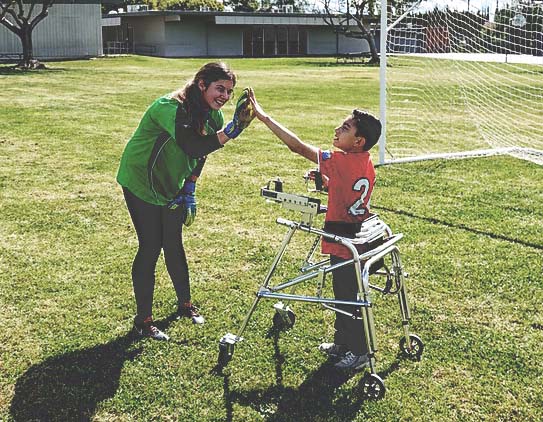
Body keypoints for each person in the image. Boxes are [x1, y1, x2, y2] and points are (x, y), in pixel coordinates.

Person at [117, 62, 254, 341]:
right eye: (220, 89)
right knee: (151, 245)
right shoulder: (169, 108)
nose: (225, 97)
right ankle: (143, 320)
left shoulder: (212, 115)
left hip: (171, 186)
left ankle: (185, 304)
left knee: (174, 243)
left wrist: (190, 185)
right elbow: (191, 145)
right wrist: (232, 131)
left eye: (230, 91)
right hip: (142, 181)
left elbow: (201, 154)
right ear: (202, 84)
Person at [248, 89, 382, 370]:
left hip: (343, 240)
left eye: (345, 128)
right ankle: (342, 343)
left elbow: (296, 146)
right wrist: (327, 181)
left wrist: (264, 117)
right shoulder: (365, 161)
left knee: (347, 299)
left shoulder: (341, 160)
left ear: (358, 140)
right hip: (356, 235)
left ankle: (359, 353)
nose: (337, 129)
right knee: (343, 294)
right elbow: (348, 189)